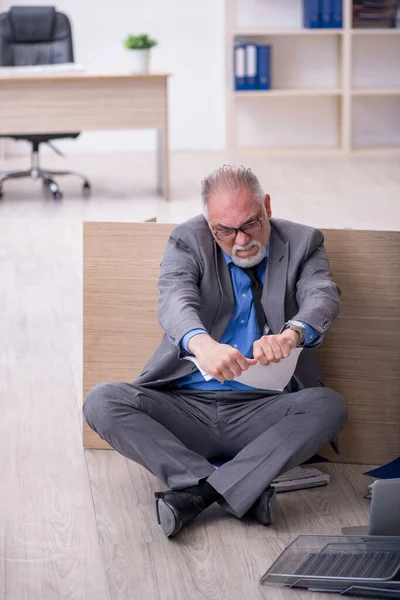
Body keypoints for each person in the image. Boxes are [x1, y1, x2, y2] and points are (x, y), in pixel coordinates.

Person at [83, 165, 347, 539]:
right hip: (184, 409)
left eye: (251, 224)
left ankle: (196, 493)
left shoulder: (304, 242)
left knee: (329, 406)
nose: (241, 240)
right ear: (209, 223)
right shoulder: (186, 240)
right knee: (101, 401)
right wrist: (201, 343)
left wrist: (292, 335)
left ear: (266, 205)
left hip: (261, 413)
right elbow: (174, 300)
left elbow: (322, 296)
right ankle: (240, 489)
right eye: (225, 230)